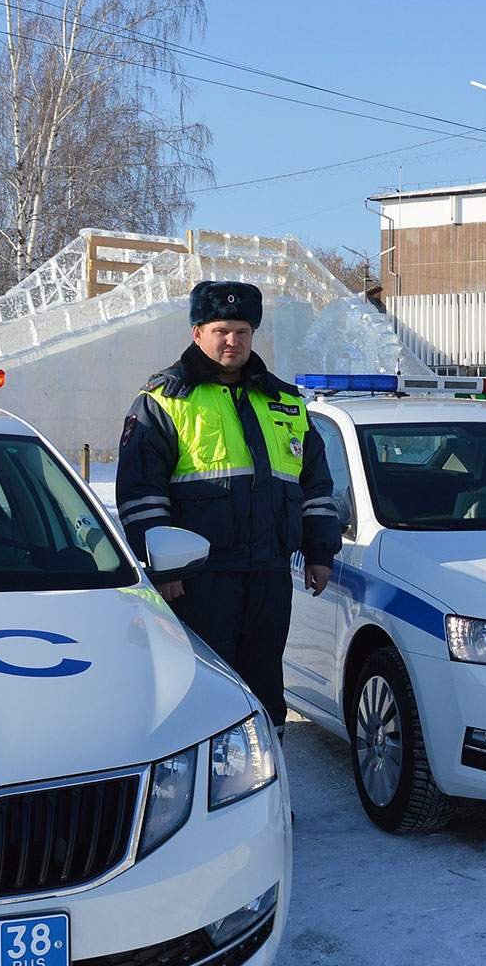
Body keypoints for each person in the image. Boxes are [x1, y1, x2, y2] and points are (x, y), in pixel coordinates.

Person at [114, 279, 340, 729]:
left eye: (242, 331)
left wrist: (319, 553)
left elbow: (315, 485)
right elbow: (141, 492)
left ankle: (268, 789)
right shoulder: (164, 399)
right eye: (221, 330)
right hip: (200, 577)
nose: (232, 341)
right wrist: (166, 568)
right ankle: (206, 790)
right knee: (205, 685)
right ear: (197, 333)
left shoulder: (285, 402)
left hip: (269, 572)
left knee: (264, 686)